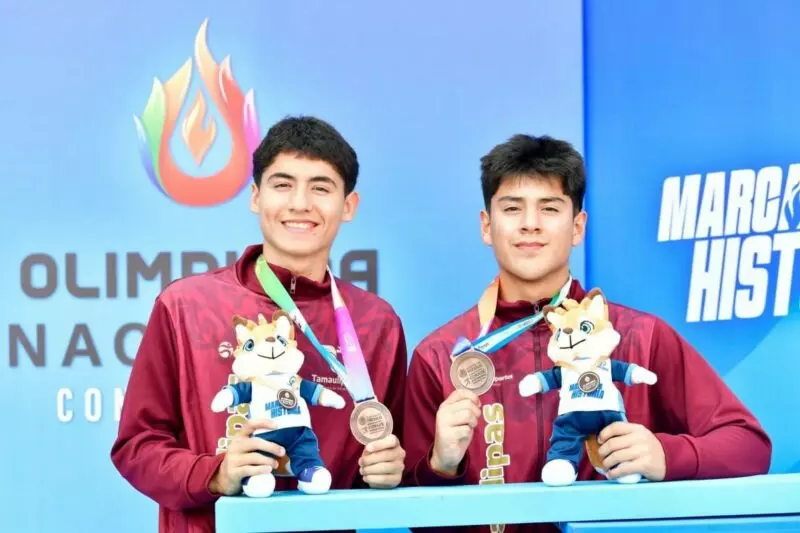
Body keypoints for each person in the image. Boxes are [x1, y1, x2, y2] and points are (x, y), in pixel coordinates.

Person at [402, 134, 771, 533]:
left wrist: (665, 454)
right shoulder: (441, 355)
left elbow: (749, 446)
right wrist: (441, 466)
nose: (530, 223)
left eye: (549, 208)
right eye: (512, 208)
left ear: (578, 227)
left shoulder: (640, 336)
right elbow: (415, 520)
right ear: (487, 226)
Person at [111, 116, 408, 533]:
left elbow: (391, 456)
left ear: (348, 206)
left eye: (321, 187)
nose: (300, 203)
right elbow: (137, 446)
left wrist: (390, 470)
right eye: (282, 184)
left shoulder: (376, 324)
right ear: (255, 196)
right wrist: (214, 474)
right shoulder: (185, 306)